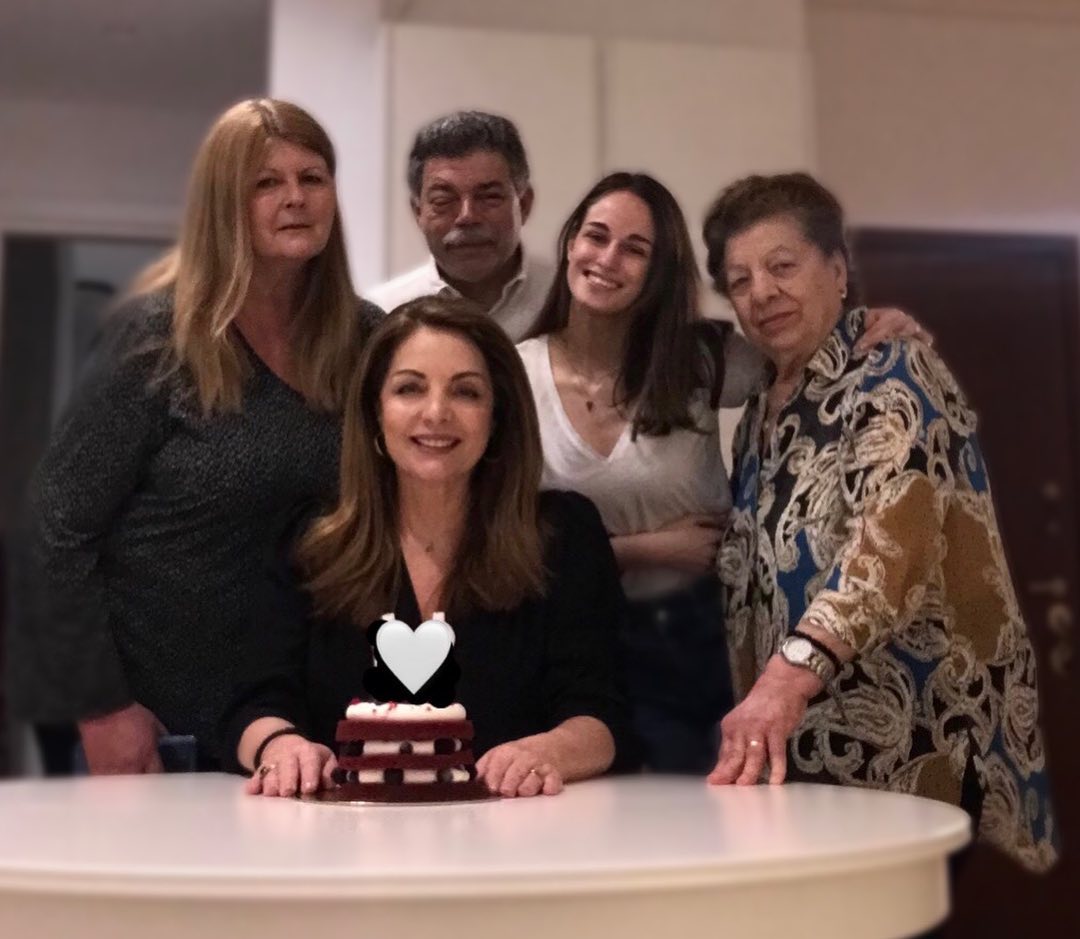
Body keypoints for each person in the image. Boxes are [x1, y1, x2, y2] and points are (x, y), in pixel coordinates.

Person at [6, 98, 380, 774]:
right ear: (223, 203)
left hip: (293, 724)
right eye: (266, 183)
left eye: (312, 177)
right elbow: (56, 529)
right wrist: (102, 708)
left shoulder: (368, 340)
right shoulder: (158, 340)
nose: (295, 198)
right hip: (152, 721)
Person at [702, 171, 1057, 873]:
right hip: (805, 756)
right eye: (739, 280)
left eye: (782, 266)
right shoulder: (759, 414)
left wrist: (782, 683)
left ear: (837, 271)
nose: (761, 292)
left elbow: (888, 547)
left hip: (918, 748)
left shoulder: (894, 371)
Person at [516, 171, 928, 774]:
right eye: (596, 237)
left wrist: (873, 322)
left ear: (660, 270)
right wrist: (644, 549)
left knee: (701, 807)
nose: (607, 259)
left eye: (635, 249)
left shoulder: (703, 360)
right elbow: (498, 528)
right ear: (571, 242)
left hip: (693, 639)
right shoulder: (514, 376)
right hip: (565, 635)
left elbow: (803, 344)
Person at [222, 297, 629, 799]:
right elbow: (255, 703)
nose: (436, 413)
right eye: (409, 388)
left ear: (498, 417)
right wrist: (281, 747)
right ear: (375, 411)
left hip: (516, 828)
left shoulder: (563, 535)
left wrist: (549, 751)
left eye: (466, 392)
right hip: (339, 832)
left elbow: (601, 713)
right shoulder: (307, 539)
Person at [367, 110, 554, 341]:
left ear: (524, 204)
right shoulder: (382, 315)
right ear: (418, 212)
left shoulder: (566, 301)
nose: (467, 216)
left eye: (489, 197)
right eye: (443, 200)